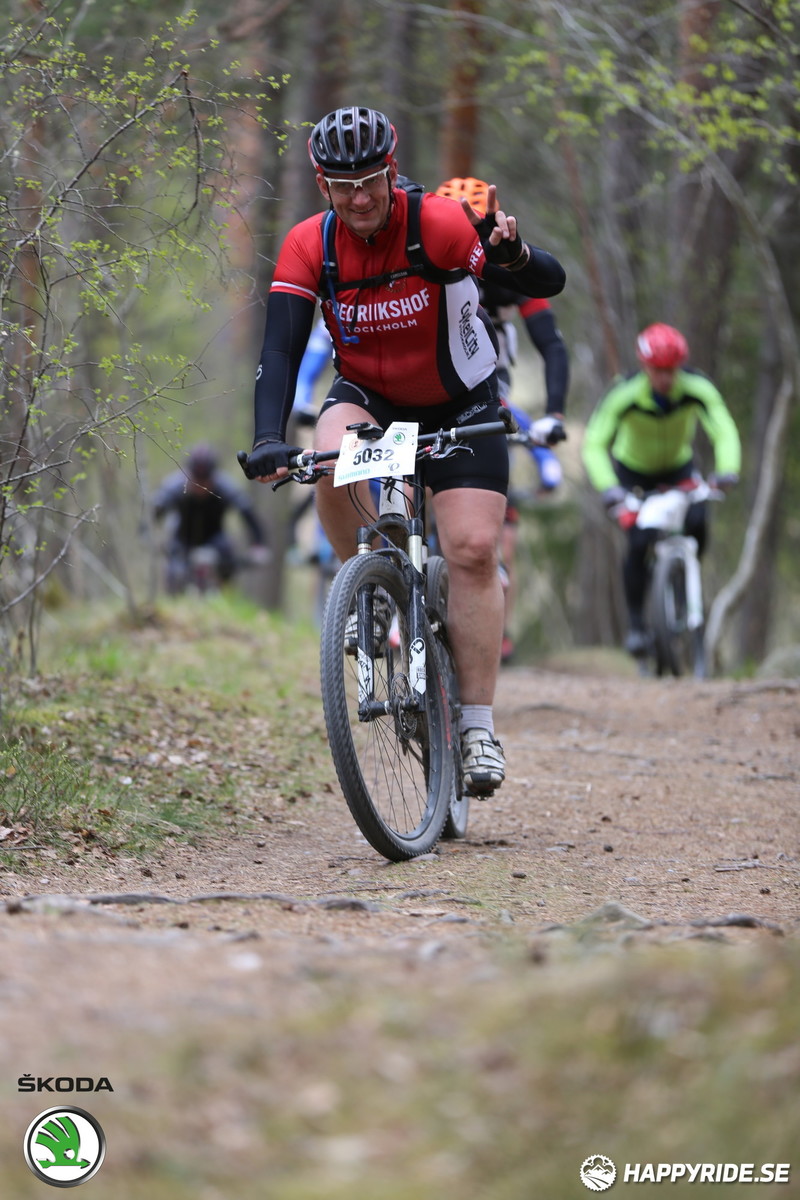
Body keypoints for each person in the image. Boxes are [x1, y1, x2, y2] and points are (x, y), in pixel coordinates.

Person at [243, 105, 566, 796]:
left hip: (460, 399)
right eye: (341, 184)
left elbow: (546, 283)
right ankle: (368, 587)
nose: (358, 197)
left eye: (370, 180)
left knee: (475, 549)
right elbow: (279, 347)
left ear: (393, 171)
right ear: (321, 184)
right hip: (371, 397)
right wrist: (269, 437)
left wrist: (512, 255)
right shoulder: (310, 245)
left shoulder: (438, 225)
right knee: (326, 461)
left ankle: (476, 726)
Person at [435, 177, 570, 663]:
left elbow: (551, 345)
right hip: (427, 392)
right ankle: (384, 592)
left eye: (472, 225)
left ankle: (494, 629)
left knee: (498, 533)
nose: (463, 235)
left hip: (492, 395)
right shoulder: (421, 258)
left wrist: (553, 414)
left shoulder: (506, 268)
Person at [582, 323, 741, 657]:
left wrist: (727, 469)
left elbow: (722, 426)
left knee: (698, 521)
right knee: (639, 543)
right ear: (645, 366)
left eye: (672, 370)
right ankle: (638, 624)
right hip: (632, 474)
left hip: (678, 468)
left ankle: (685, 579)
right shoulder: (623, 393)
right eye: (658, 371)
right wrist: (609, 487)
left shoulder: (696, 387)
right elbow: (595, 442)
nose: (666, 378)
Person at [153, 443, 269, 594]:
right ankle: (174, 600)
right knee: (174, 571)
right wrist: (148, 534)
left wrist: (258, 544)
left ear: (213, 476)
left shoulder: (225, 487)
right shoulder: (175, 486)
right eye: (196, 481)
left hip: (215, 538)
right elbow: (156, 509)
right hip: (182, 539)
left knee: (227, 557)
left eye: (205, 482)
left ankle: (221, 596)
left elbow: (247, 512)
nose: (201, 487)